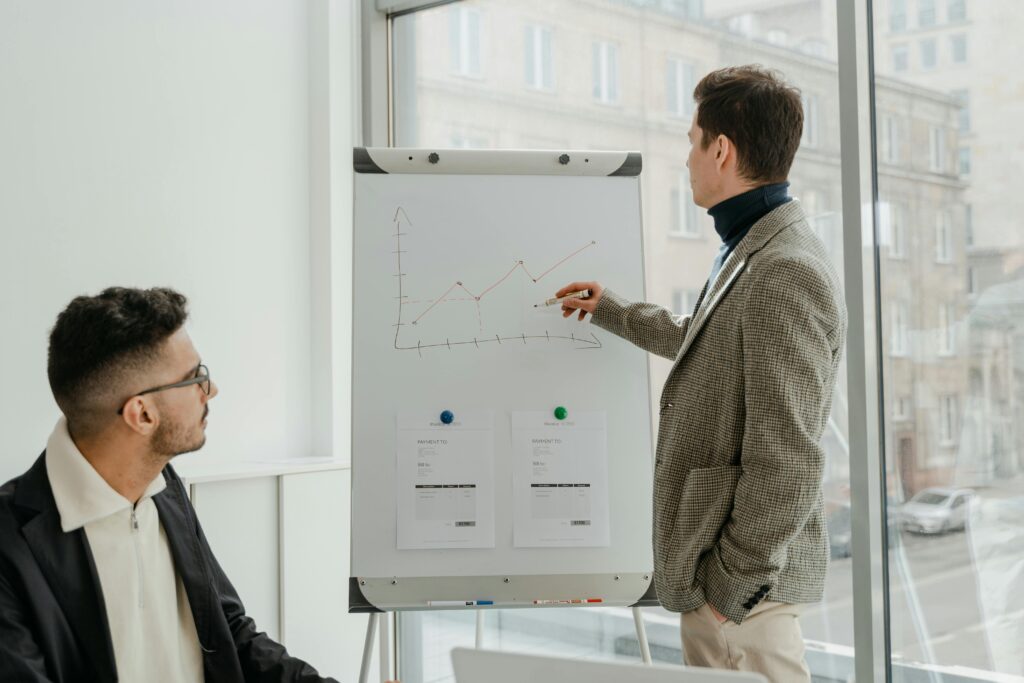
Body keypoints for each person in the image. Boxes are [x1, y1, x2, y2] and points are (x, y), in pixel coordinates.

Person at [557, 65, 847, 681]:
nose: (687, 158)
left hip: (745, 604)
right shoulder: (753, 245)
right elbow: (708, 343)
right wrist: (612, 310)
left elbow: (789, 458)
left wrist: (729, 589)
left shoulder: (783, 269)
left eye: (692, 142)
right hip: (733, 596)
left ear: (722, 149)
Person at [0, 287, 389, 682]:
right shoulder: (9, 542)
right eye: (195, 378)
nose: (210, 390)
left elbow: (229, 631)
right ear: (143, 414)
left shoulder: (163, 485)